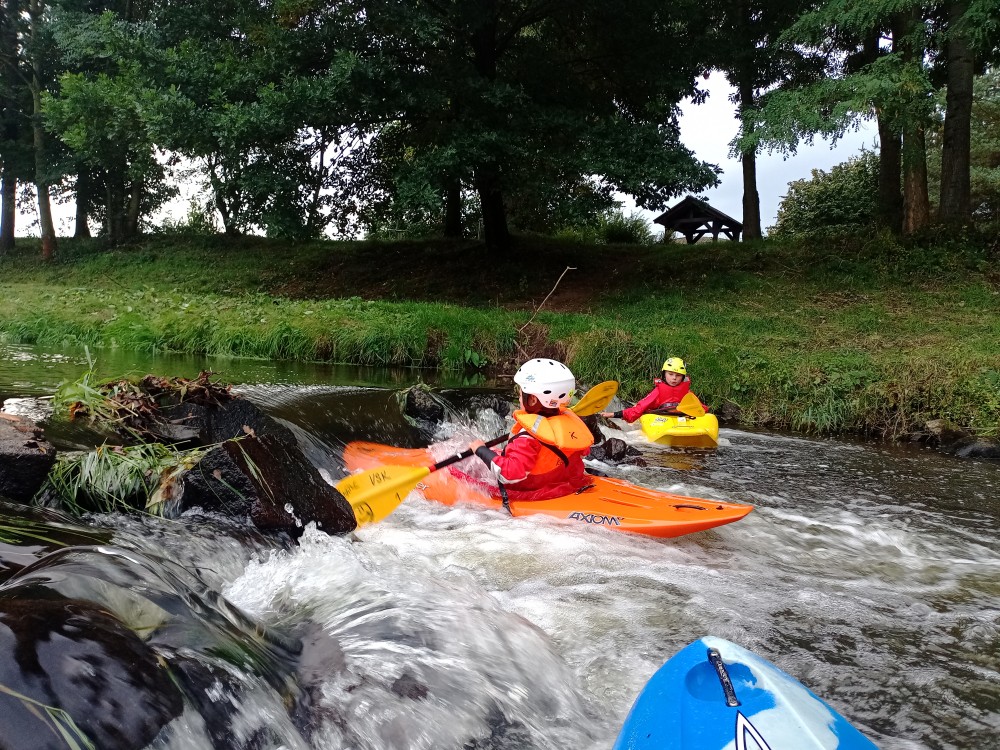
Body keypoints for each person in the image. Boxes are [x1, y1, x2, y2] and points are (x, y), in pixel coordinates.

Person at [468, 358, 594, 502]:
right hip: (564, 484)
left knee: (470, 467)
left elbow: (510, 474)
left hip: (534, 492)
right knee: (492, 455)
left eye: (521, 394)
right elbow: (583, 451)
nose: (519, 398)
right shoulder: (569, 426)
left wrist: (481, 450)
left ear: (533, 399)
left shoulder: (527, 438)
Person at [599, 357, 707, 423]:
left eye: (678, 375)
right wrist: (614, 414)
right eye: (670, 374)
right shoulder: (658, 392)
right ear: (664, 375)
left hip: (684, 418)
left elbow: (701, 408)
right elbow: (640, 408)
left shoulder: (687, 393)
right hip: (663, 419)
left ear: (683, 377)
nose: (674, 378)